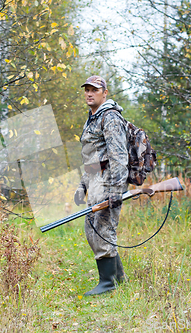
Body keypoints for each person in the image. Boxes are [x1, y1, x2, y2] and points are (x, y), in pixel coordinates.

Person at [74, 75, 128, 296]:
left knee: (101, 228)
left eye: (94, 90)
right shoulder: (92, 118)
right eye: (87, 89)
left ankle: (108, 282)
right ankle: (118, 277)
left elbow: (118, 156)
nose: (89, 93)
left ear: (105, 93)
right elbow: (92, 158)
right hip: (96, 179)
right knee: (95, 227)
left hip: (108, 181)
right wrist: (82, 186)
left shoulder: (110, 117)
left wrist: (116, 190)